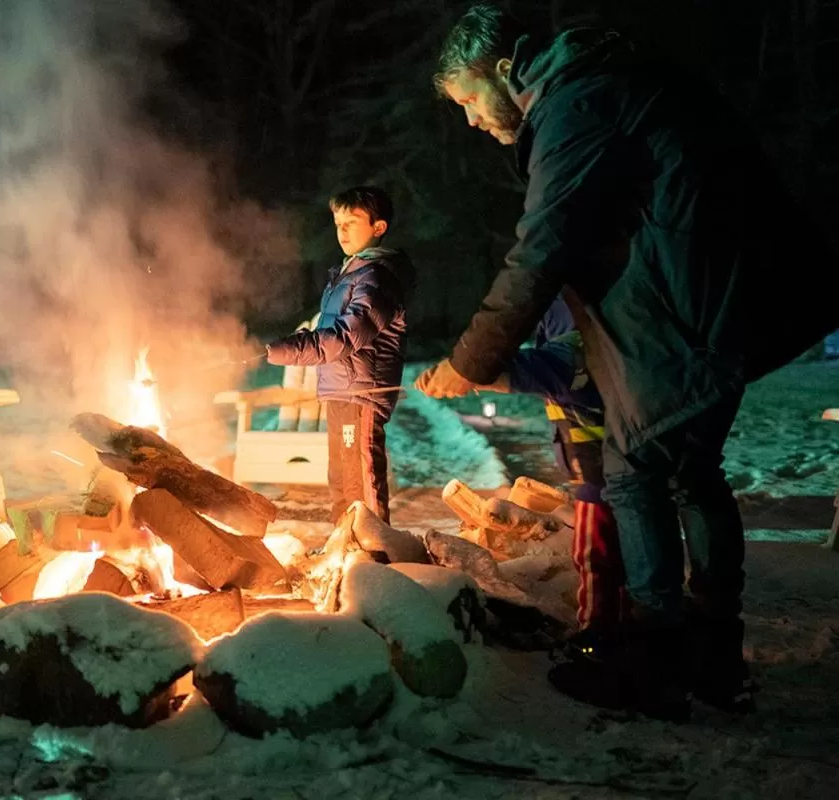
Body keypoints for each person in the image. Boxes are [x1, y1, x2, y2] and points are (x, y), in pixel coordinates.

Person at [414, 3, 839, 719]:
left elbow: (541, 248)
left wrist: (472, 359)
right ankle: (712, 656)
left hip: (687, 312)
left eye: (467, 102)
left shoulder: (577, 104)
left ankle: (651, 660)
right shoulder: (609, 80)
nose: (471, 122)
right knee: (692, 471)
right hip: (719, 302)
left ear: (506, 70)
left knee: (634, 469)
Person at [483, 296, 627, 648]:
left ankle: (597, 637)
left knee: (595, 556)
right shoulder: (573, 296)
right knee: (622, 552)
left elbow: (561, 363)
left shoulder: (580, 300)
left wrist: (474, 370)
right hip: (607, 468)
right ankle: (623, 622)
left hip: (603, 471)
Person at [266, 186, 415, 525]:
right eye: (337, 223)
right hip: (342, 389)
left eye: (352, 221)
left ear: (379, 227)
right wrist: (284, 344)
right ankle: (344, 547)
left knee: (360, 482)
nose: (342, 231)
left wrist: (283, 350)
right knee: (341, 481)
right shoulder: (349, 274)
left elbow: (345, 337)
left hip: (361, 393)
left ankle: (374, 556)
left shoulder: (377, 278)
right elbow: (326, 332)